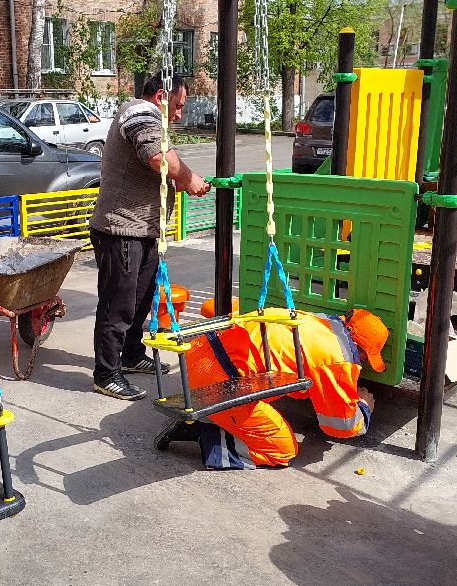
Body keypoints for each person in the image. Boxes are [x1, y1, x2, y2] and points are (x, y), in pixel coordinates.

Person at [89, 72, 211, 400]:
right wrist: (188, 177)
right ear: (160, 96)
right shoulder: (139, 113)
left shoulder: (153, 119)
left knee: (141, 299)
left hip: (142, 231)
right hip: (121, 229)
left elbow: (166, 160)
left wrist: (185, 178)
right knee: (119, 304)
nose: (180, 113)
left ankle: (129, 354)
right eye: (178, 105)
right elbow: (158, 158)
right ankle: (106, 373)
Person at [159, 306, 389, 468]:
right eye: (366, 359)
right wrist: (363, 406)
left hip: (197, 351)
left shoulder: (313, 321)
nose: (363, 364)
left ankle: (221, 417)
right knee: (281, 450)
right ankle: (201, 434)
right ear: (361, 349)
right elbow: (340, 426)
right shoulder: (338, 358)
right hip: (215, 380)